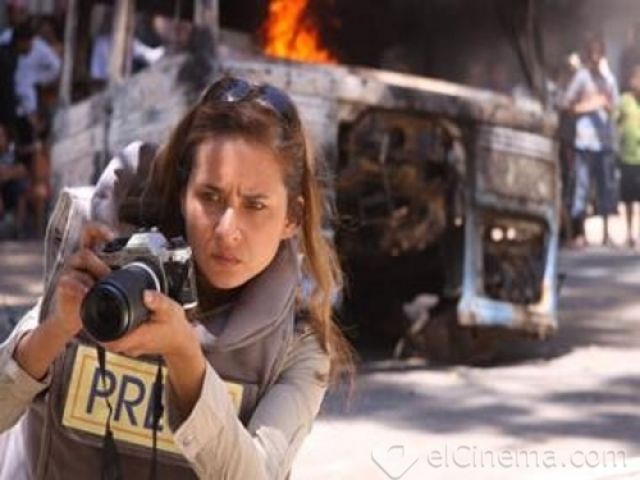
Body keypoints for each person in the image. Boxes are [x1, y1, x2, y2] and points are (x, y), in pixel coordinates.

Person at [0, 76, 353, 479]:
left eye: (255, 205)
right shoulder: (105, 258)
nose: (227, 230)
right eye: (210, 197)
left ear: (292, 217)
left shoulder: (296, 344)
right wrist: (55, 329)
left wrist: (186, 358)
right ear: (184, 193)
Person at [562, 34, 619, 247]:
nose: (595, 57)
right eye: (592, 53)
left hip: (604, 143)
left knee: (605, 189)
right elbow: (566, 105)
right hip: (585, 142)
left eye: (599, 53)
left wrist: (605, 103)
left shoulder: (608, 78)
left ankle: (605, 235)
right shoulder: (582, 77)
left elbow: (615, 107)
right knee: (582, 188)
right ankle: (580, 234)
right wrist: (588, 106)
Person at [616, 65, 640, 247]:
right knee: (629, 198)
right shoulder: (624, 101)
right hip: (628, 157)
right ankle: (630, 233)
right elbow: (613, 121)